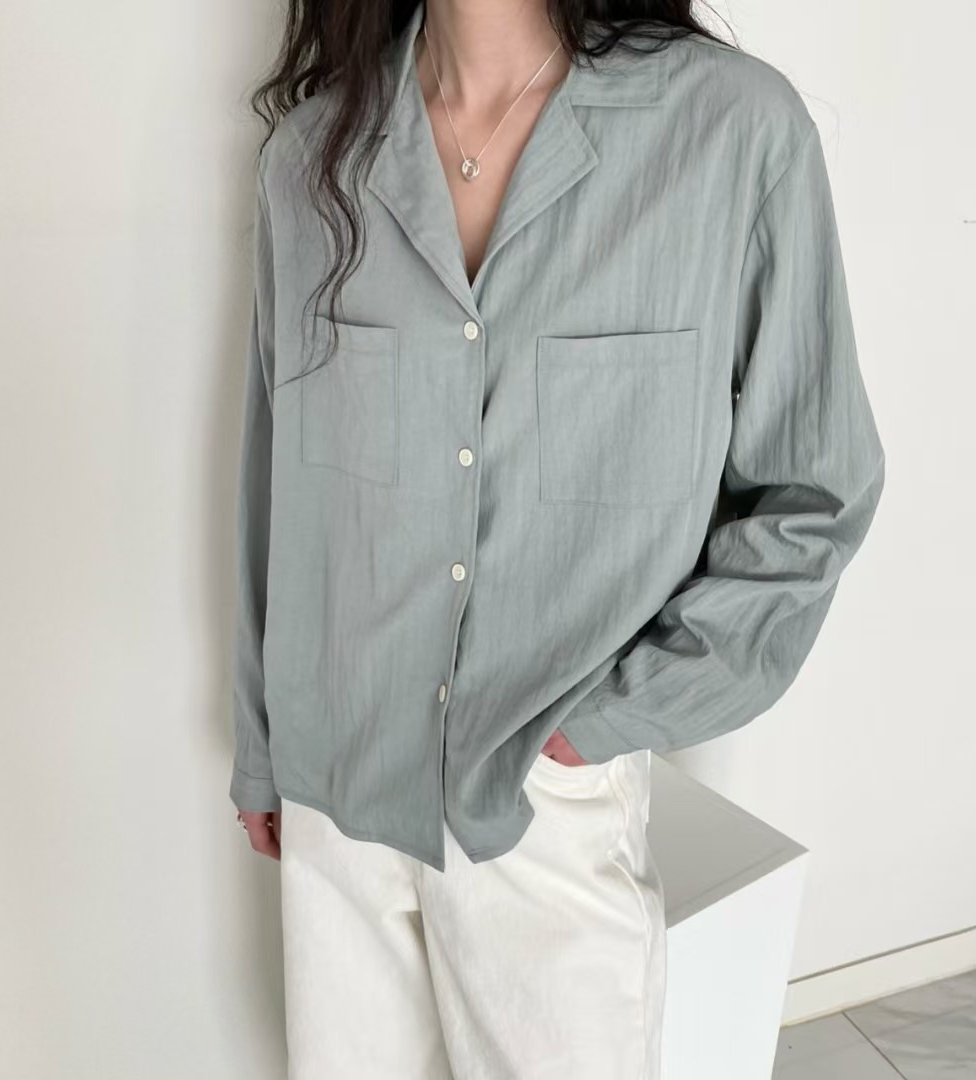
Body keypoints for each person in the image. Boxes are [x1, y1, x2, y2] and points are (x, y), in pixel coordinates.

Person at [228, 1, 886, 1076]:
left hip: (540, 806)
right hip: (337, 799)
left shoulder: (731, 131)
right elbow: (280, 489)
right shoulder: (313, 156)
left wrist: (597, 732)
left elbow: (815, 491)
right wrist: (266, 748)